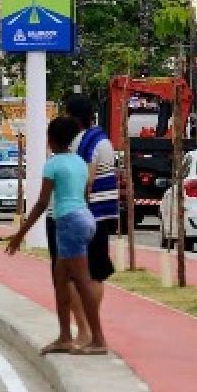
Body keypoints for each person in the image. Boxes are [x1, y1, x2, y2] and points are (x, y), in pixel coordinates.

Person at [7, 116, 107, 355]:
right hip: (84, 218)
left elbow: (43, 203)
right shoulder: (80, 162)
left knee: (82, 283)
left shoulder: (52, 165)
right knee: (61, 281)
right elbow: (84, 194)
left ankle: (99, 340)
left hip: (69, 222)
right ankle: (64, 336)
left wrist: (20, 234)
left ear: (50, 140)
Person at [41, 94, 119, 352]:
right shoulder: (101, 139)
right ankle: (81, 333)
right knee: (90, 275)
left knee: (76, 278)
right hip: (98, 215)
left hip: (79, 215)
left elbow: (85, 181)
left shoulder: (84, 143)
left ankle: (86, 332)